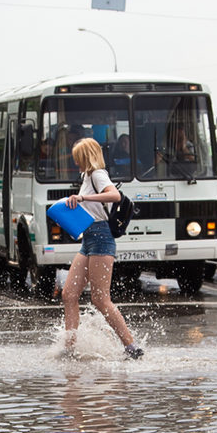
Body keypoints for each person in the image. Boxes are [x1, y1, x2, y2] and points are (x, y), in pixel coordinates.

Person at [61, 137, 143, 359]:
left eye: (78, 157)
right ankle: (69, 348)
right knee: (69, 294)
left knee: (100, 298)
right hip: (88, 238)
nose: (76, 162)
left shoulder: (97, 173)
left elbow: (114, 195)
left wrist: (82, 197)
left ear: (86, 156)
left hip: (101, 238)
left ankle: (131, 346)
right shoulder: (86, 176)